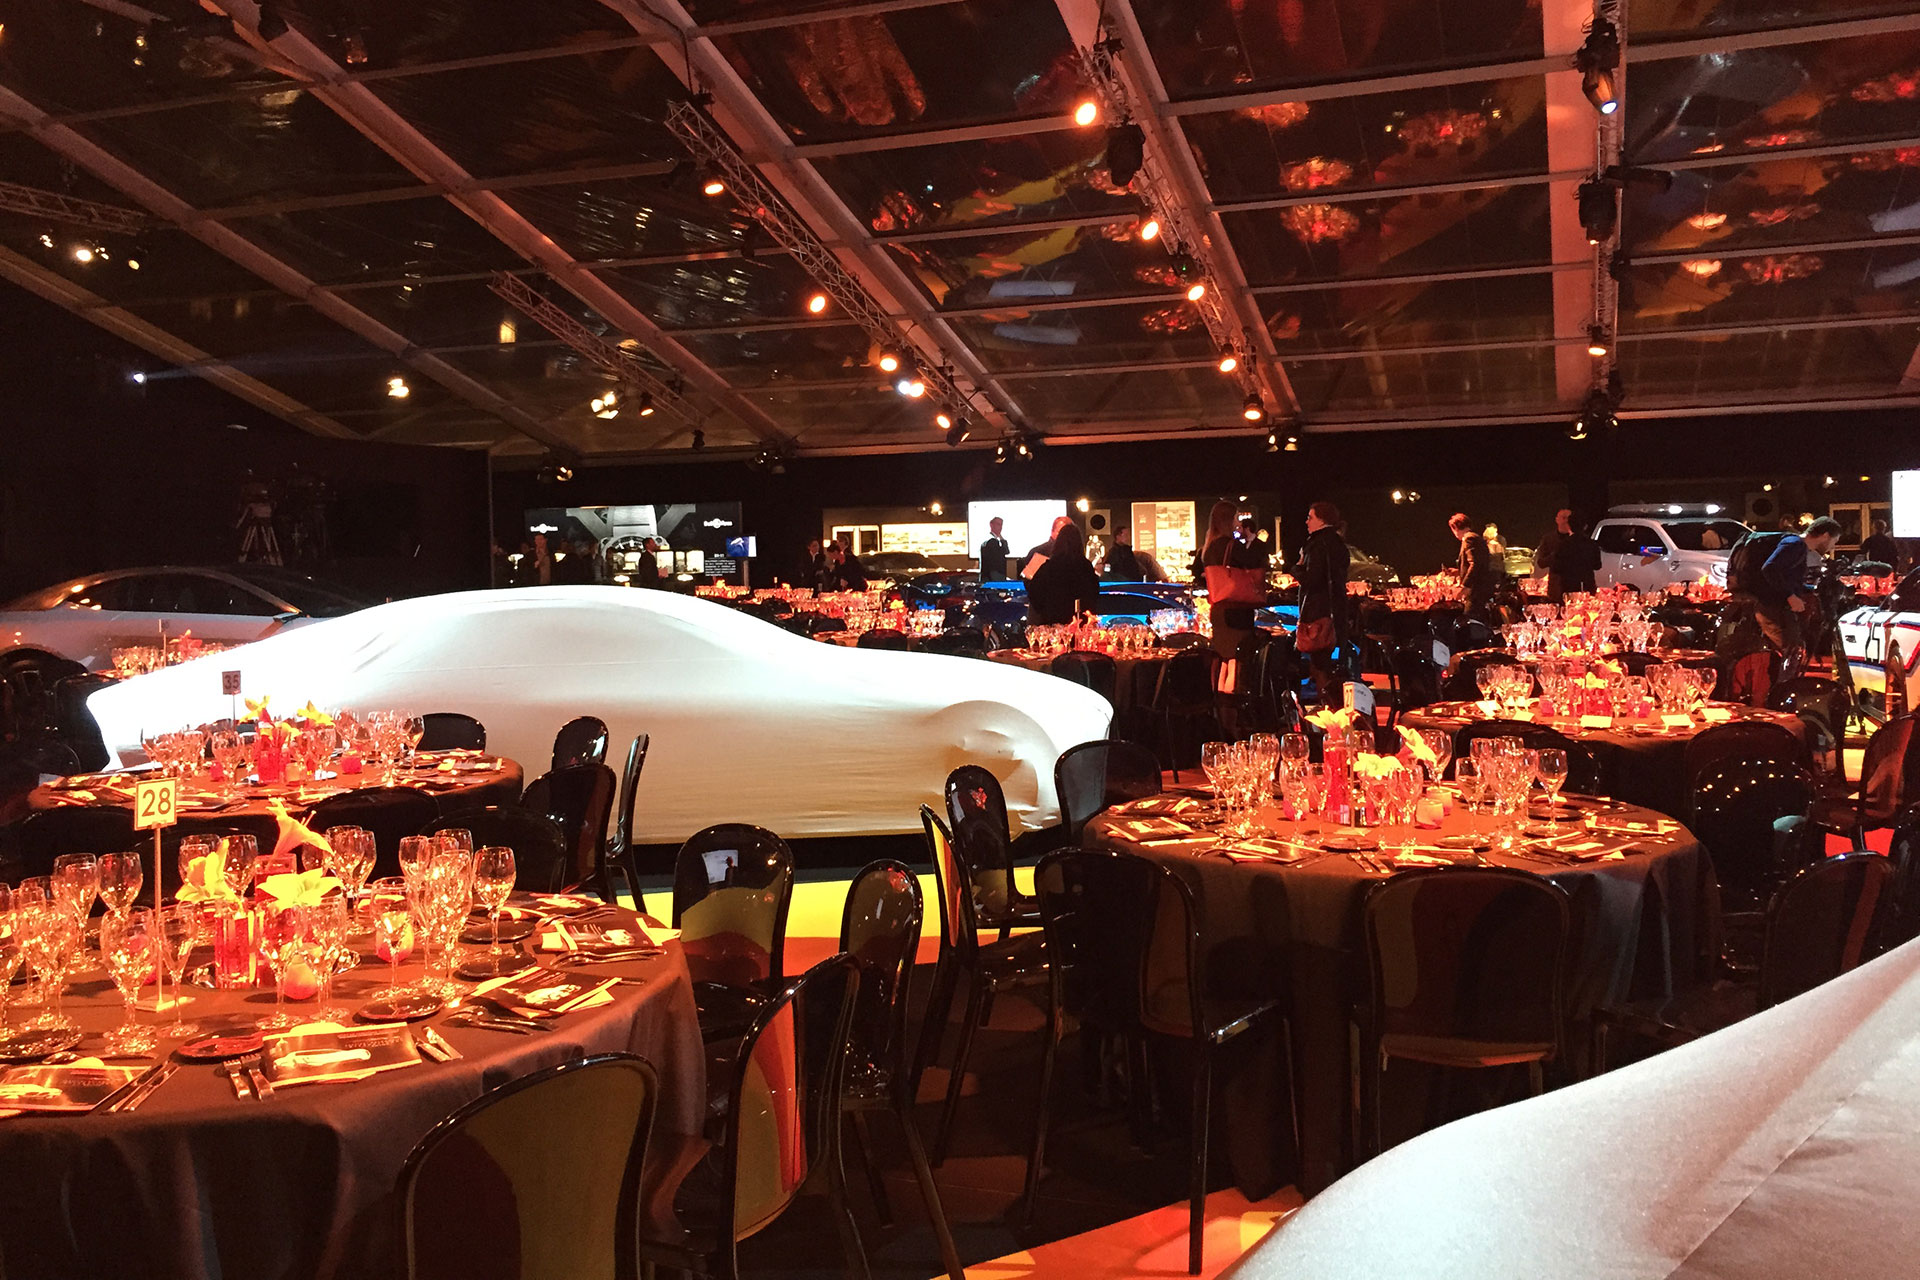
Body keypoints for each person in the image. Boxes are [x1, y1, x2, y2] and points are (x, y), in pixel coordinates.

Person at [1754, 516, 1841, 666]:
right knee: (1791, 652)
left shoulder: (1798, 546)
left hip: (1775, 607)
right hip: (1772, 607)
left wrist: (1805, 591)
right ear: (1825, 535)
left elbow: (1788, 577)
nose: (1832, 547)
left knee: (1790, 653)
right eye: (1834, 541)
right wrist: (1790, 596)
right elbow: (1770, 568)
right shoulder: (1795, 544)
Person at [1297, 500, 1350, 705]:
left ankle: (1328, 708)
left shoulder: (1317, 545)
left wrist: (1297, 568)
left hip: (1319, 612)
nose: (1306, 522)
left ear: (1322, 520)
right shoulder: (1339, 544)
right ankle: (1338, 706)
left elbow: (1312, 579)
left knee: (1319, 665)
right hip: (1336, 610)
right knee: (1331, 664)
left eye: (1310, 517)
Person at [1203, 499, 1264, 662]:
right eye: (1236, 517)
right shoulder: (1232, 546)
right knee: (1240, 661)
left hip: (1219, 611)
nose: (1239, 522)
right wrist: (1252, 540)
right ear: (1228, 519)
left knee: (1224, 660)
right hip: (1236, 612)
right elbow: (1256, 562)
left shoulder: (1209, 547)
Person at [1026, 522, 1100, 624]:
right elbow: (1093, 593)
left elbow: (1034, 591)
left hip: (1052, 621)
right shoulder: (1085, 567)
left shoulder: (1048, 566)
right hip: (1079, 622)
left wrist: (1044, 611)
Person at [1450, 513, 1497, 617]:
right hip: (1481, 587)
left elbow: (1475, 563)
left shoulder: (1469, 539)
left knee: (1470, 616)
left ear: (1455, 528)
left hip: (1476, 589)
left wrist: (1465, 585)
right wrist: (1459, 571)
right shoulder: (1476, 537)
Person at [1534, 508, 1585, 602]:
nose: (1566, 521)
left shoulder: (1579, 540)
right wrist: (1556, 555)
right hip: (1556, 588)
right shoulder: (1548, 539)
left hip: (1574, 588)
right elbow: (1541, 563)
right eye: (1564, 518)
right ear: (1557, 520)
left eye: (1569, 519)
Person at [1023, 515, 1072, 580]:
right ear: (1052, 532)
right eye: (1061, 532)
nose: (1063, 536)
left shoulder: (1074, 556)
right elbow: (1028, 579)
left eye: (1067, 533)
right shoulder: (1039, 553)